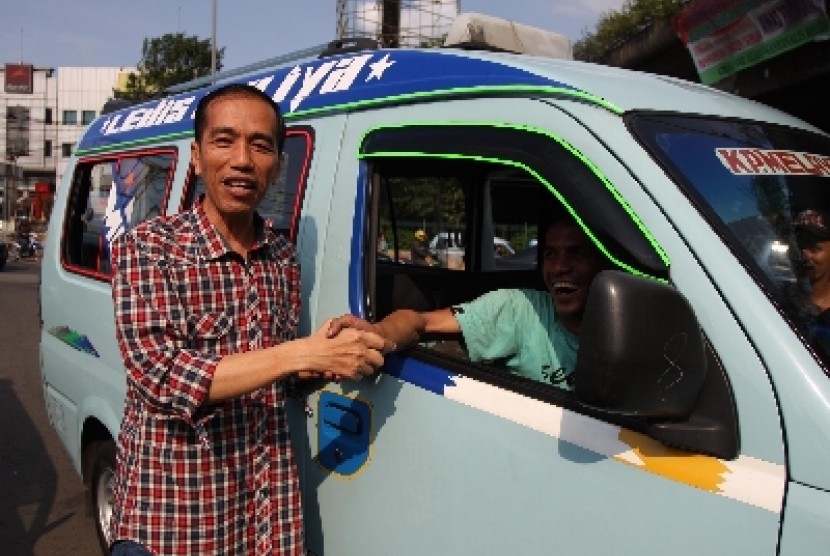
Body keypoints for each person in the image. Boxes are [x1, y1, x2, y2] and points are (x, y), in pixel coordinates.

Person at [108, 84, 388, 555]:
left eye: (260, 145)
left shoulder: (281, 256)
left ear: (277, 165)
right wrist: (296, 353)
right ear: (196, 157)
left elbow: (276, 376)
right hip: (176, 522)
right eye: (224, 141)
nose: (242, 159)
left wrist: (325, 356)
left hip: (266, 516)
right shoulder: (148, 248)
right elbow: (162, 375)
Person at [331, 214, 609, 389]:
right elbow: (421, 322)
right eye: (550, 254)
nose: (560, 267)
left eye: (577, 253)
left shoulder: (634, 328)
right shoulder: (520, 309)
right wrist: (377, 333)